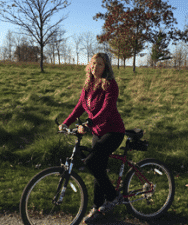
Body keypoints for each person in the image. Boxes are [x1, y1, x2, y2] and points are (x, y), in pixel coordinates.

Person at [58, 53, 125, 224]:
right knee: (98, 169)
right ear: (89, 65)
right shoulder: (88, 85)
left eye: (100, 64)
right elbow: (79, 107)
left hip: (113, 132)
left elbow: (106, 111)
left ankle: (113, 197)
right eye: (93, 63)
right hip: (97, 132)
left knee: (91, 162)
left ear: (106, 67)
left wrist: (88, 124)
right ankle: (98, 208)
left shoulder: (111, 85)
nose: (96, 67)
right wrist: (66, 123)